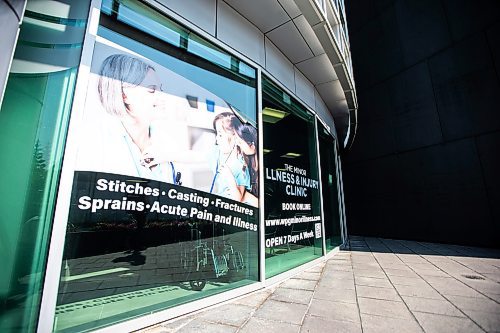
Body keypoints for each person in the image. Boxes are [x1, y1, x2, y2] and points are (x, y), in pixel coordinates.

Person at [96, 53, 180, 184]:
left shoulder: (167, 141)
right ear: (124, 95)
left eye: (161, 89)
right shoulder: (100, 142)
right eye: (152, 90)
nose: (163, 96)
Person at [210, 112, 258, 206]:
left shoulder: (241, 166)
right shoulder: (215, 153)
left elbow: (239, 198)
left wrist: (229, 176)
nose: (216, 139)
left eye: (220, 135)